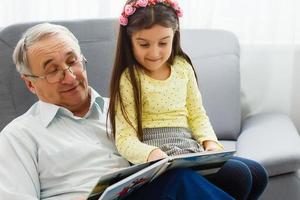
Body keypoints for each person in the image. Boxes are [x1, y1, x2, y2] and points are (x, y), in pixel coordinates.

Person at [0, 23, 235, 200]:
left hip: (148, 191)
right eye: (52, 70)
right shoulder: (18, 136)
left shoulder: (124, 106)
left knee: (241, 174)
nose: (69, 77)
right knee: (180, 181)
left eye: (72, 62)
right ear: (30, 83)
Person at [109, 0, 268, 199]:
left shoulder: (182, 67)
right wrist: (152, 154)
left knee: (256, 173)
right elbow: (124, 139)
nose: (154, 52)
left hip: (189, 152)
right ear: (129, 40)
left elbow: (197, 114)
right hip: (159, 161)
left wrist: (210, 144)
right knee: (239, 176)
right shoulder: (129, 78)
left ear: (175, 35)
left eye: (163, 42)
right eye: (144, 44)